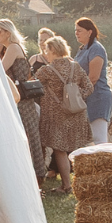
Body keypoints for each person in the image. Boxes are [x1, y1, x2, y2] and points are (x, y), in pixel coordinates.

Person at [36, 35, 94, 195]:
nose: (45, 53)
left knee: (60, 150)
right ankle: (86, 182)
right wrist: (74, 97)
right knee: (79, 147)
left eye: (46, 50)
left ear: (52, 50)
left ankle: (67, 185)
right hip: (77, 114)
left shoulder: (46, 71)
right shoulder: (76, 67)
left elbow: (33, 86)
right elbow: (89, 88)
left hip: (56, 115)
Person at [0, 19, 45, 184]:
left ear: (8, 32)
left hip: (20, 99)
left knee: (25, 134)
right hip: (23, 98)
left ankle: (31, 174)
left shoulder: (13, 48)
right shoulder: (14, 48)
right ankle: (35, 173)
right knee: (29, 134)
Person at [73, 19, 112, 147]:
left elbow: (93, 77)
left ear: (89, 32)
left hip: (98, 97)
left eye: (79, 30)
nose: (76, 33)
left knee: (98, 138)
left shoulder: (96, 48)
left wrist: (79, 94)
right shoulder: (83, 49)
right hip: (86, 98)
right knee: (87, 141)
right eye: (75, 30)